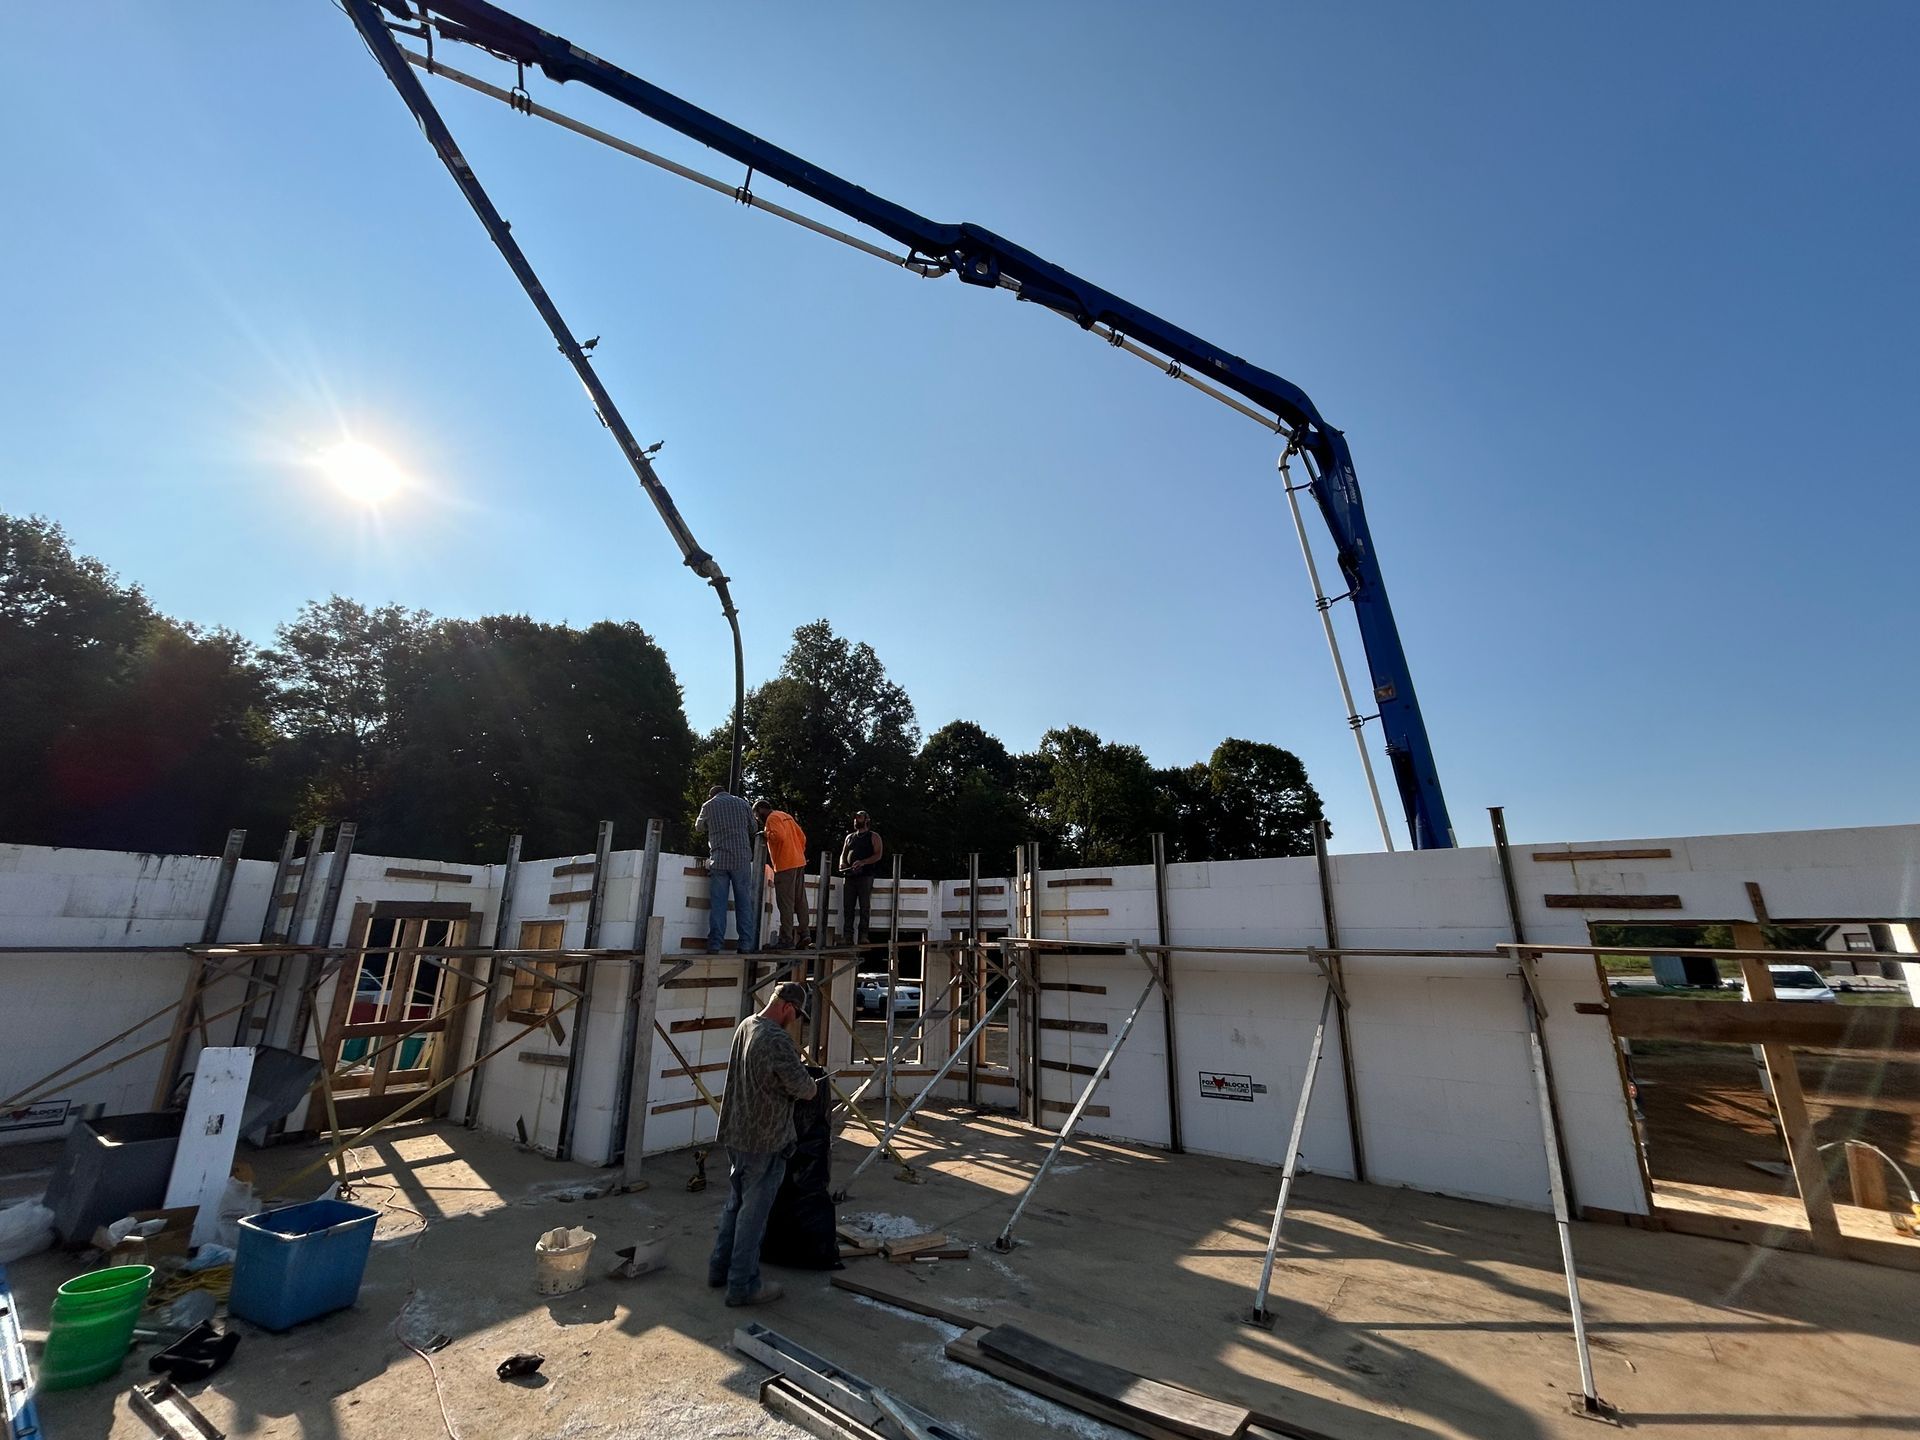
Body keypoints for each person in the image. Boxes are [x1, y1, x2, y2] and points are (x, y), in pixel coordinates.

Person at [708, 980, 818, 1306]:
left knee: (735, 1205)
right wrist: (810, 1084)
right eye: (796, 1013)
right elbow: (804, 1088)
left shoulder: (747, 1025)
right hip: (764, 1139)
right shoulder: (776, 1039)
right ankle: (742, 1286)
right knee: (753, 1216)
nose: (795, 1020)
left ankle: (719, 1268)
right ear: (786, 1006)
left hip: (736, 1132)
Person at [696, 784, 758, 954]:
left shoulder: (708, 806)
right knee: (744, 903)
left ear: (711, 795)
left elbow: (698, 827)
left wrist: (713, 825)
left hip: (719, 860)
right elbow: (754, 828)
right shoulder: (742, 803)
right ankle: (745, 944)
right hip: (741, 859)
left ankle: (715, 945)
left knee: (718, 904)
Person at [753, 799, 809, 949]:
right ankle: (805, 934)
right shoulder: (785, 815)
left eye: (757, 815)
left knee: (786, 903)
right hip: (798, 862)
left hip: (785, 865)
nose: (758, 819)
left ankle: (786, 939)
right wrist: (797, 853)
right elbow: (802, 837)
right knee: (800, 900)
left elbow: (779, 836)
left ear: (760, 810)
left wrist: (766, 834)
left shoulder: (771, 818)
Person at [838, 809, 883, 944]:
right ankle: (847, 936)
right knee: (848, 907)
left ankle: (863, 935)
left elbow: (878, 855)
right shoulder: (849, 837)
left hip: (865, 876)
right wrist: (842, 864)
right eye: (855, 818)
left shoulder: (873, 836)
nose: (856, 820)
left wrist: (863, 862)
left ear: (867, 820)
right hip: (850, 876)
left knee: (864, 907)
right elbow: (843, 854)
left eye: (860, 817)